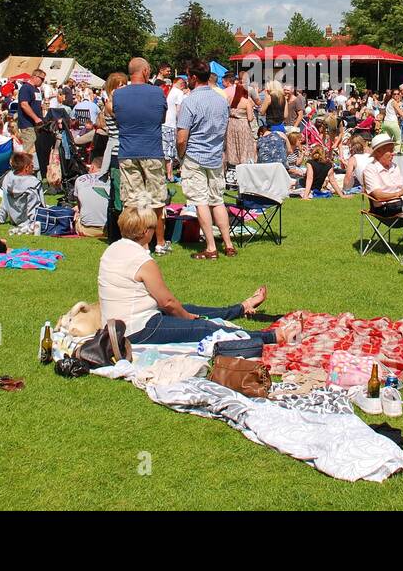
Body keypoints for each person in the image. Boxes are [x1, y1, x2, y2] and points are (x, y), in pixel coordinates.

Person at [98, 207, 284, 356]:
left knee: (192, 309)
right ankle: (270, 337)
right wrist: (185, 317)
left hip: (119, 323)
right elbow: (167, 302)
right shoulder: (142, 261)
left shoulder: (112, 250)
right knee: (203, 327)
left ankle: (242, 307)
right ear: (146, 231)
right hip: (137, 329)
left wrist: (185, 312)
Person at [176, 61, 234, 259]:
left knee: (200, 200)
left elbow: (182, 137)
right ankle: (228, 244)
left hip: (195, 154)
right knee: (217, 200)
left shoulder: (190, 101)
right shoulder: (221, 100)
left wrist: (180, 155)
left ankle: (211, 247)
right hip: (215, 154)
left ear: (193, 77)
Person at [112, 58, 170, 255]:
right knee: (157, 201)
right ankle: (160, 243)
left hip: (127, 151)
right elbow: (161, 118)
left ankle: (130, 242)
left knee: (131, 202)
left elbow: (117, 118)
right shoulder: (157, 92)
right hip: (152, 150)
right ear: (145, 71)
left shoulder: (118, 95)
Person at [362, 132, 403, 216]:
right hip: (386, 208)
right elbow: (378, 196)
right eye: (390, 150)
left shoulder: (394, 166)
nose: (393, 153)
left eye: (393, 150)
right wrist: (399, 194)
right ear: (379, 152)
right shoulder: (370, 169)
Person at [0, 151, 44, 227]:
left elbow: (4, 202)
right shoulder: (34, 183)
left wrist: (0, 219)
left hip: (15, 220)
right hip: (31, 221)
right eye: (32, 166)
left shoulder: (8, 177)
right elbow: (38, 206)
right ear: (26, 167)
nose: (34, 168)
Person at [224, 78, 256, 168]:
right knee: (244, 145)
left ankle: (233, 163)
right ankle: (244, 163)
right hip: (242, 124)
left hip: (231, 124)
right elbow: (250, 118)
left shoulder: (231, 100)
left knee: (233, 144)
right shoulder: (246, 102)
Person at [15, 68, 45, 164]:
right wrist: (35, 118)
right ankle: (20, 169)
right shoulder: (26, 88)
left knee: (35, 149)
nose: (43, 81)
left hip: (36, 125)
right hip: (27, 124)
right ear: (35, 76)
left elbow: (34, 104)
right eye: (42, 79)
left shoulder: (36, 89)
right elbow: (24, 104)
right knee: (28, 151)